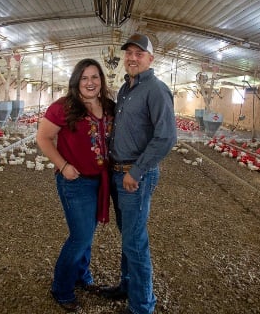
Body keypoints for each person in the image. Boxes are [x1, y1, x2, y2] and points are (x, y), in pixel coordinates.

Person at [100, 33, 177, 314]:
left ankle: (142, 306)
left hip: (136, 176)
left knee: (135, 241)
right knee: (128, 237)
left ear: (150, 59)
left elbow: (166, 137)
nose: (132, 58)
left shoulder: (156, 90)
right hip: (119, 173)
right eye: (128, 53)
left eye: (139, 53)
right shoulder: (125, 89)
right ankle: (127, 286)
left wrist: (138, 170)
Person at [36, 58, 115, 312]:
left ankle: (82, 276)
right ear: (76, 81)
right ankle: (61, 288)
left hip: (99, 181)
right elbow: (43, 138)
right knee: (80, 236)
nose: (90, 82)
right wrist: (63, 165)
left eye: (95, 77)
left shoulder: (108, 106)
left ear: (101, 80)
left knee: (87, 235)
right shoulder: (64, 107)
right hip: (75, 181)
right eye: (84, 78)